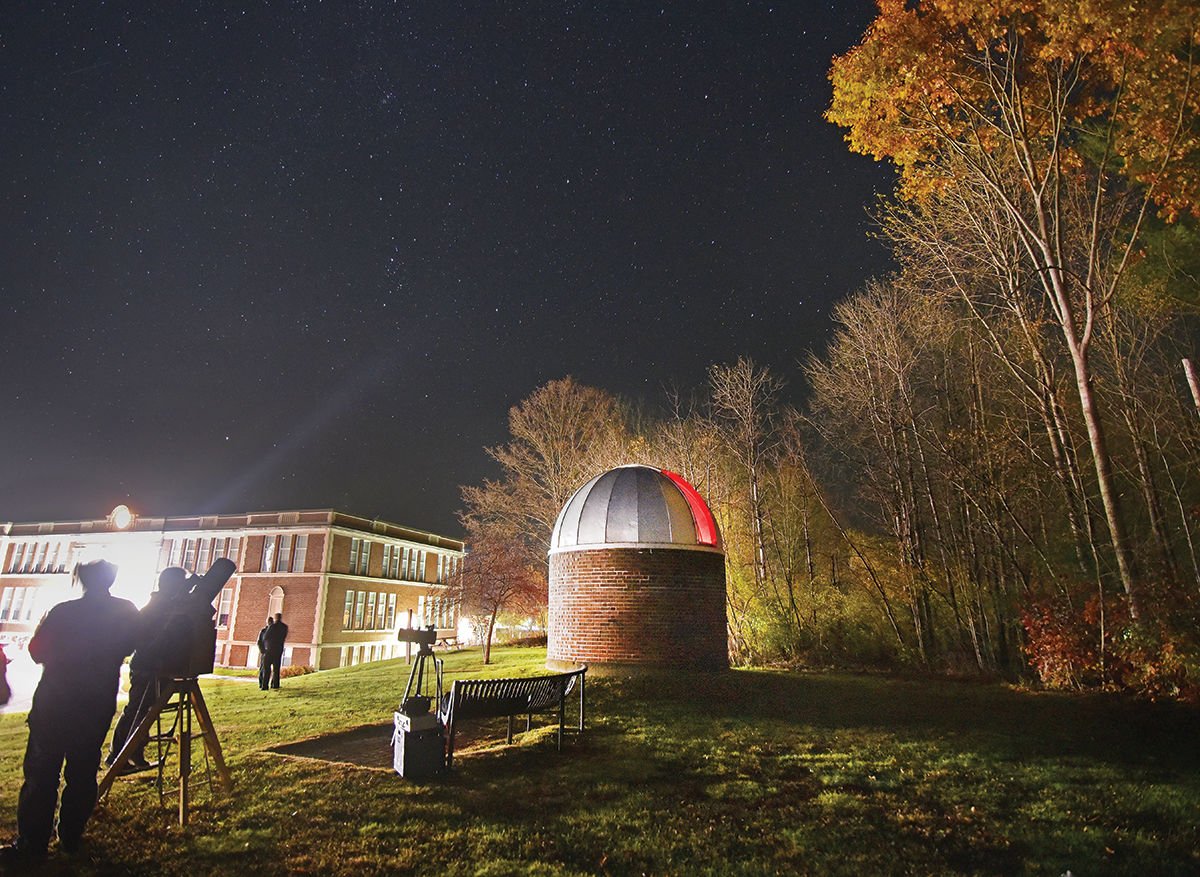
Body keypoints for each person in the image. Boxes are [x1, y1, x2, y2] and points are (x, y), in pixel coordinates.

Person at [2, 560, 139, 862]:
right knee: (82, 773)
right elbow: (133, 645)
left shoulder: (64, 611)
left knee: (41, 774)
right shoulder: (126, 611)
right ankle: (71, 838)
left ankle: (32, 843)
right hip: (95, 704)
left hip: (56, 702)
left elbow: (37, 652)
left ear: (83, 581)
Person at [106, 567, 190, 771]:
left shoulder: (161, 606)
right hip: (149, 667)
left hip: (154, 666)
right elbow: (150, 639)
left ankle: (134, 753)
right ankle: (117, 755)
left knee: (144, 713)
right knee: (137, 712)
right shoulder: (158, 608)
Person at [262, 612, 288, 689]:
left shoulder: (272, 626)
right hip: (279, 649)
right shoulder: (284, 627)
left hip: (270, 649)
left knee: (267, 668)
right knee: (276, 669)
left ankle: (265, 685)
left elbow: (265, 637)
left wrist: (266, 646)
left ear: (275, 618)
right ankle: (275, 685)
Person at [256, 617, 274, 690]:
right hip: (265, 652)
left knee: (269, 670)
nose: (269, 623)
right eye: (269, 621)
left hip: (272, 652)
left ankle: (268, 684)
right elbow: (259, 642)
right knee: (263, 669)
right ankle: (262, 684)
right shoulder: (263, 631)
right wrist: (262, 651)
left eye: (271, 621)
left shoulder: (274, 631)